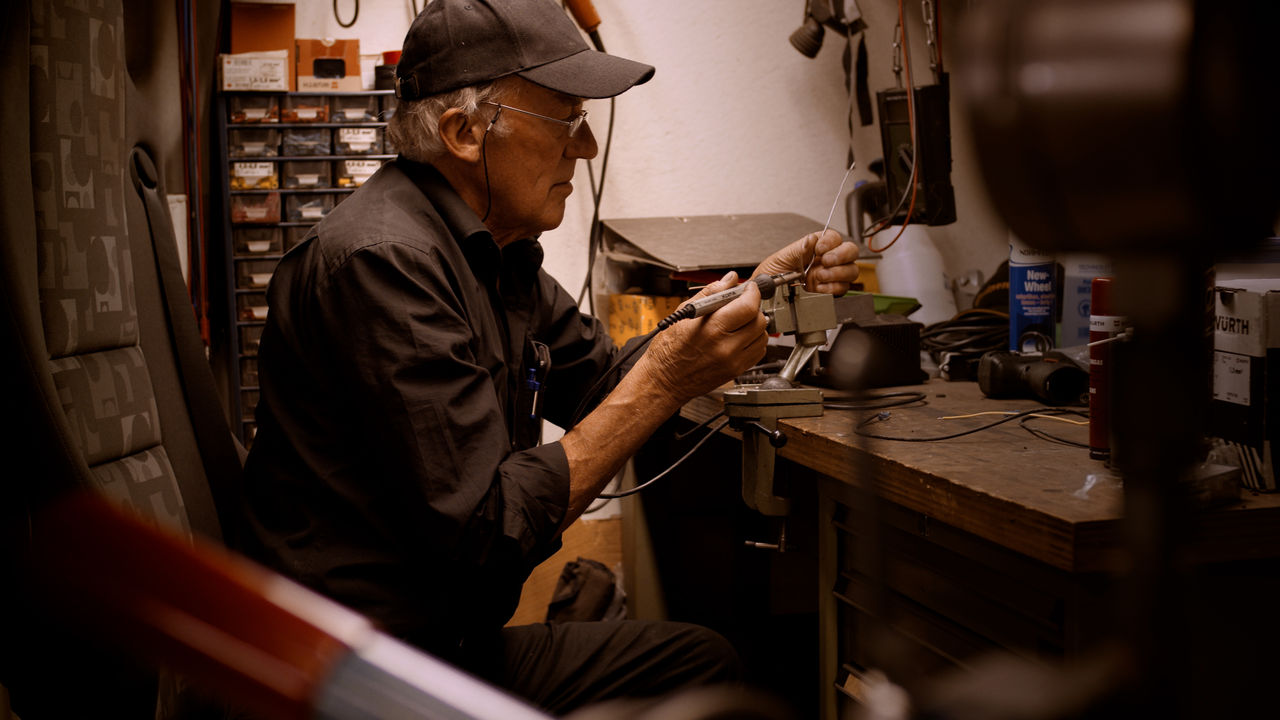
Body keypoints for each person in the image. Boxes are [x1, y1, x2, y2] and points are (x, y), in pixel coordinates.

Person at [237, 0, 860, 714]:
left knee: (699, 662)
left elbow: (601, 382)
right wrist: (664, 379)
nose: (587, 147)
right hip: (358, 678)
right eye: (567, 118)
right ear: (465, 133)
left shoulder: (491, 254)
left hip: (441, 644)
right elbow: (488, 532)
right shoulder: (387, 264)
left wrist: (751, 296)